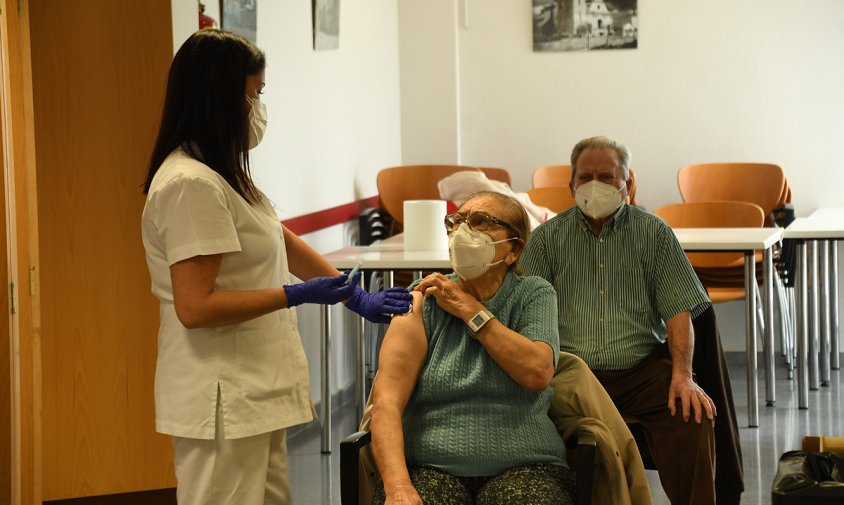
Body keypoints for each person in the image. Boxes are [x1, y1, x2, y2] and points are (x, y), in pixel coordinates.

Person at [141, 30, 411, 505]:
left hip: (255, 391)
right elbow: (195, 306)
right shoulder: (190, 184)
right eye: (254, 94)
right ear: (219, 96)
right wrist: (295, 295)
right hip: (222, 394)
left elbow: (280, 241)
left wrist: (353, 295)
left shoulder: (223, 173)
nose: (259, 107)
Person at [520, 136, 719, 505]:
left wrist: (683, 376)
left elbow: (678, 311)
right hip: (569, 374)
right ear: (571, 185)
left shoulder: (654, 234)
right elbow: (525, 309)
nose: (595, 185)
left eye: (608, 176)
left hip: (640, 373)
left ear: (628, 184)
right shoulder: (546, 240)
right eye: (586, 176)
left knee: (692, 416)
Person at [370, 191, 577, 505]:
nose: (461, 232)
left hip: (526, 465)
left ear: (513, 250)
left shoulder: (534, 295)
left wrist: (469, 309)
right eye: (455, 222)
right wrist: (398, 488)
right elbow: (386, 402)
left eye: (480, 222)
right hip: (428, 467)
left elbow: (536, 373)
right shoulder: (421, 299)